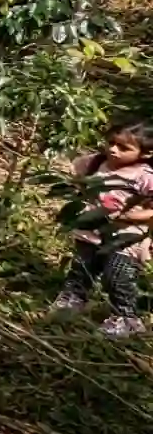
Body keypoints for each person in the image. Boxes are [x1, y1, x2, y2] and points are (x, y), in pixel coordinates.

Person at [51, 120, 153, 337]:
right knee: (82, 267)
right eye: (111, 143)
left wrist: (128, 217)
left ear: (145, 153)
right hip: (90, 231)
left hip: (125, 237)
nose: (113, 150)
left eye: (124, 148)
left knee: (117, 275)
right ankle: (74, 298)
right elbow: (76, 174)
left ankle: (126, 318)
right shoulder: (96, 162)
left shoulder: (144, 176)